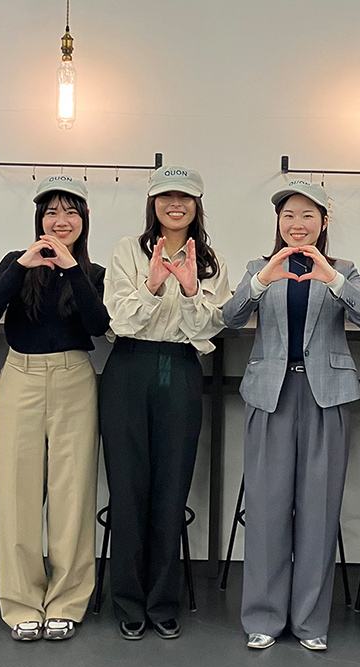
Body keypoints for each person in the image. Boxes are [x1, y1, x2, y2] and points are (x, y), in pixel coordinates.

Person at [223, 180, 360, 651]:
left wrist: (331, 279)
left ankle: (311, 622)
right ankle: (264, 618)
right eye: (289, 215)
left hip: (325, 395)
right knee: (267, 510)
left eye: (308, 215)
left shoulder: (342, 269)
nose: (297, 224)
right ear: (278, 221)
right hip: (270, 394)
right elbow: (229, 318)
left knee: (319, 510)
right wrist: (261, 281)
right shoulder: (258, 268)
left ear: (323, 222)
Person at [0, 175, 109, 641]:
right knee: (18, 493)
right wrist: (22, 266)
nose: (60, 220)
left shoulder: (92, 272)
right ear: (39, 219)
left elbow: (98, 326)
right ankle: (21, 602)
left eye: (70, 212)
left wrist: (71, 269)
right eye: (51, 212)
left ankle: (68, 601)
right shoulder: (17, 261)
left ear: (84, 220)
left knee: (73, 494)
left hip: (74, 379)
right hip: (20, 376)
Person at [101, 165, 230, 640]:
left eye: (185, 198)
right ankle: (128, 600)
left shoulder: (211, 261)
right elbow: (120, 320)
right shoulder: (127, 251)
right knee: (127, 489)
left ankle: (162, 601)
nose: (175, 205)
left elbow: (208, 328)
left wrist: (192, 289)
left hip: (179, 369)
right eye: (166, 197)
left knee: (172, 490)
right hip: (128, 367)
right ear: (152, 203)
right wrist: (153, 284)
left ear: (197, 206)